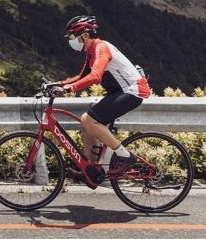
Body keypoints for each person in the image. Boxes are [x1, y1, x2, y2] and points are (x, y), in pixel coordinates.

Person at [44, 15, 151, 186]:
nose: (71, 41)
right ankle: (91, 171)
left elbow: (94, 76)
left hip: (133, 91)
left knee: (88, 119)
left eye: (72, 37)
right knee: (86, 126)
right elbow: (82, 76)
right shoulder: (91, 52)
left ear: (84, 35)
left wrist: (68, 89)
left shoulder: (101, 48)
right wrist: (58, 84)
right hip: (120, 91)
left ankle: (124, 155)